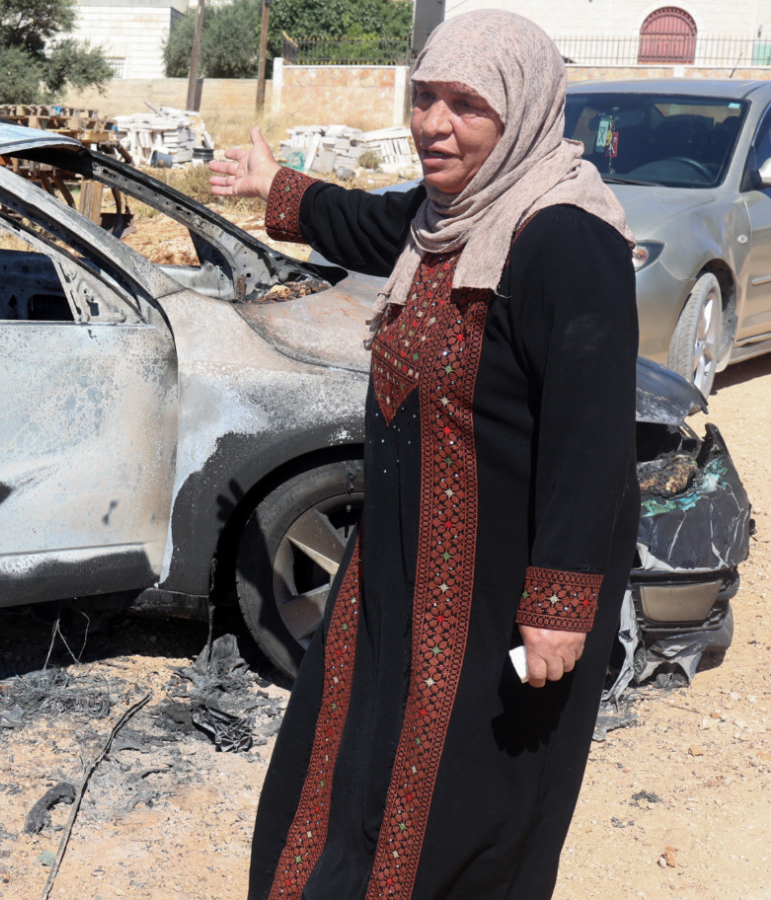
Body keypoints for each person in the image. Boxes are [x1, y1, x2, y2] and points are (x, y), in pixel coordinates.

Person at [209, 11, 638, 900]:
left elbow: (591, 437)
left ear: (521, 112)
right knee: (350, 761)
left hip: (502, 593)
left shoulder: (565, 238)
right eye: (424, 98)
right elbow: (366, 223)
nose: (434, 125)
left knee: (466, 802)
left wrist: (559, 605)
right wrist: (273, 186)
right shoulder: (445, 215)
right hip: (401, 572)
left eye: (466, 105)